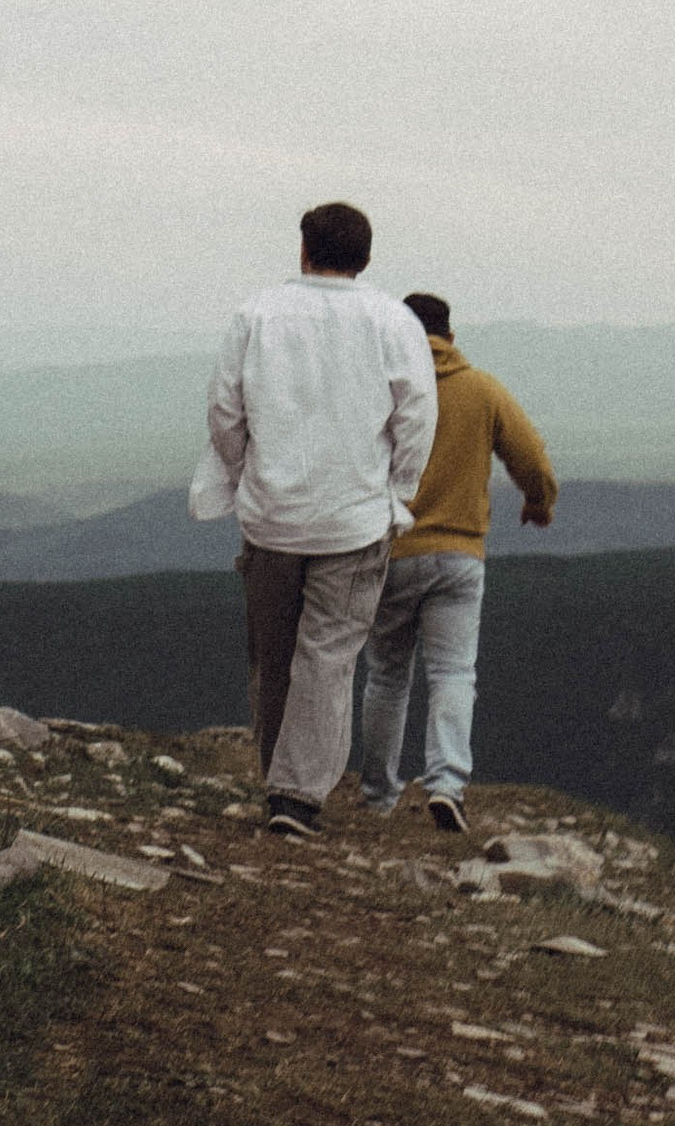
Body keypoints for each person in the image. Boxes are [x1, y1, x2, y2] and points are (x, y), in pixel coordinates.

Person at [191, 202, 437, 839]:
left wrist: (250, 472)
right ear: (367, 257)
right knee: (328, 656)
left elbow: (224, 409)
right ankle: (296, 798)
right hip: (354, 519)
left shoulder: (258, 315)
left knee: (273, 654)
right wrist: (397, 491)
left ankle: (281, 782)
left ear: (303, 249)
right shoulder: (393, 320)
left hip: (271, 516)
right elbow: (416, 416)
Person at [357, 294, 556, 832]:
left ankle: (377, 793)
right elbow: (531, 457)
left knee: (386, 676)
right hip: (460, 555)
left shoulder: (380, 389)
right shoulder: (481, 388)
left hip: (390, 549)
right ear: (451, 336)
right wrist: (539, 502)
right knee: (452, 672)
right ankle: (446, 785)